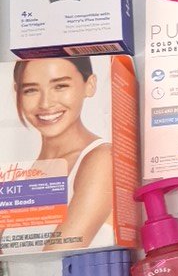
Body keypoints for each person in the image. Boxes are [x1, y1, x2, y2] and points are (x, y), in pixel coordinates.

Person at [4, 58, 113, 252]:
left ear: (90, 85)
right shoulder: (17, 174)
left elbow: (56, 256)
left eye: (60, 86)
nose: (45, 103)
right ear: (17, 93)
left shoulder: (102, 158)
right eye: (31, 90)